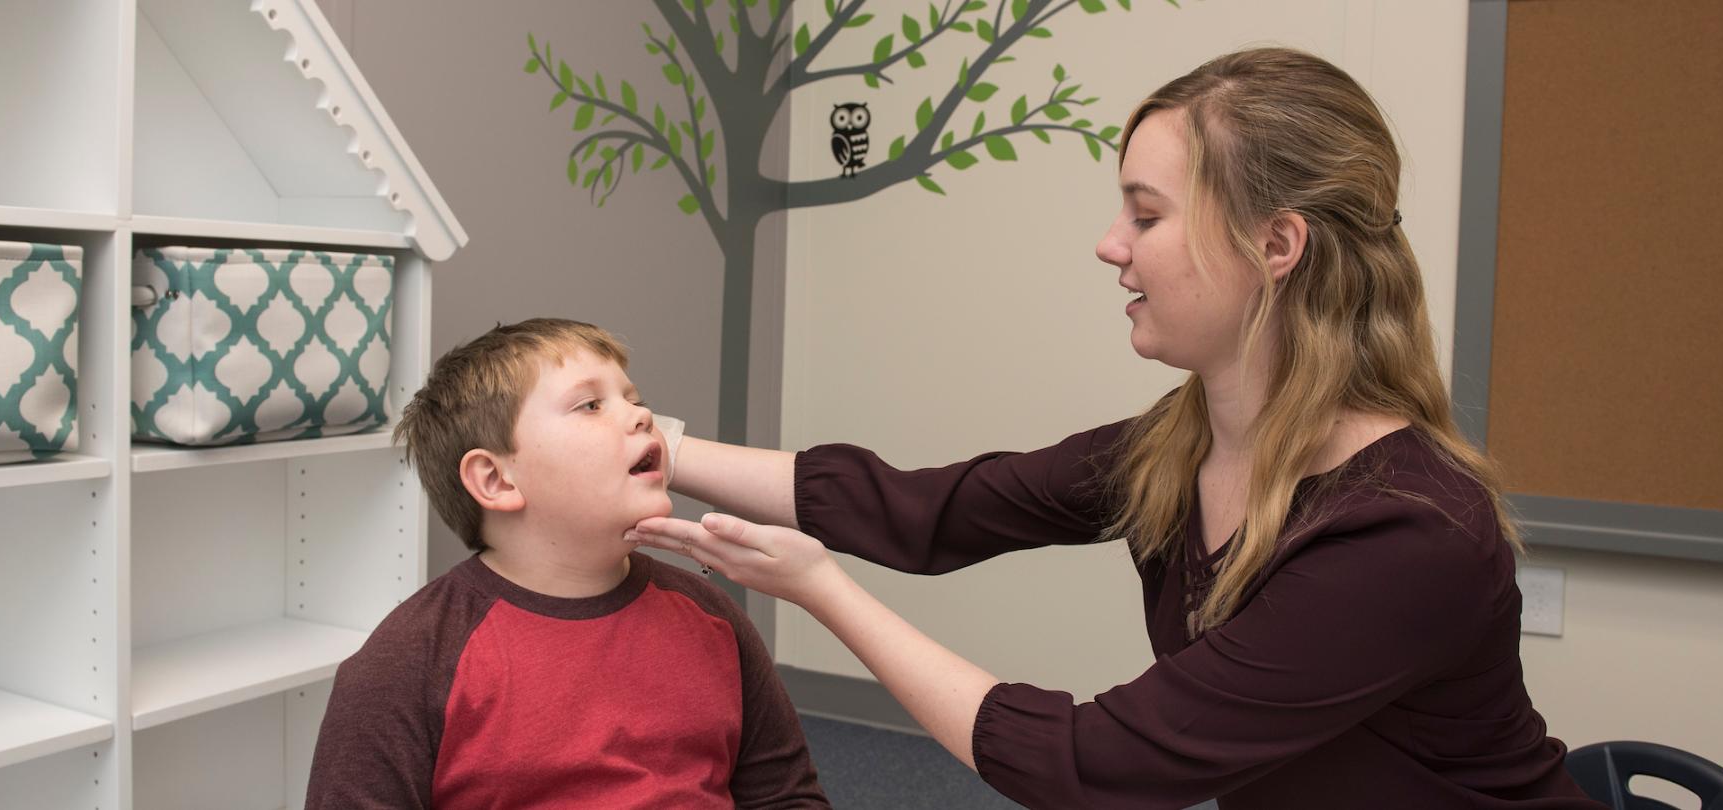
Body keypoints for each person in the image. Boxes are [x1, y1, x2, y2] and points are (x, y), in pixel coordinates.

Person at [629, 49, 1601, 809]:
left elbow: (1091, 768)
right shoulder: (1176, 447)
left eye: (1146, 214)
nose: (1110, 244)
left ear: (1276, 245)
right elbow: (928, 512)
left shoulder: (1407, 532)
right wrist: (657, 448)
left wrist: (819, 592)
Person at [306, 318, 828, 810]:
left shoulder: (709, 615)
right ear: (496, 480)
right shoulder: (408, 661)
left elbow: (785, 798)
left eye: (634, 399)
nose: (643, 415)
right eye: (590, 405)